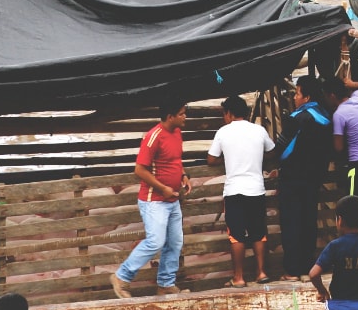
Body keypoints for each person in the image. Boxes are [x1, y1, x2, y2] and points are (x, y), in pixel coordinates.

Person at [113, 103, 191, 298]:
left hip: (172, 199)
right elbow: (139, 169)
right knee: (155, 241)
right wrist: (162, 188)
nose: (185, 117)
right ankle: (121, 277)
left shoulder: (177, 132)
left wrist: (183, 176)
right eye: (181, 114)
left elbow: (175, 160)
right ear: (170, 116)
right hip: (154, 200)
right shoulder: (153, 136)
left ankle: (165, 283)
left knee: (175, 242)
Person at [208, 94, 276, 287]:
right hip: (256, 189)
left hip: (234, 191)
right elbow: (271, 151)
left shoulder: (223, 132)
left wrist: (227, 158)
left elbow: (211, 159)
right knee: (258, 232)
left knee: (236, 234)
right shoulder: (259, 130)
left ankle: (238, 277)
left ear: (229, 113)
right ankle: (261, 272)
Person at [272, 76, 334, 280]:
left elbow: (282, 150)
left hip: (293, 178)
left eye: (297, 93)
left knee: (291, 222)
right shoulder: (325, 117)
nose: (295, 97)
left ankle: (292, 270)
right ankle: (308, 266)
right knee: (308, 221)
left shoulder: (298, 118)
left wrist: (278, 166)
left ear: (306, 96)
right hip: (314, 179)